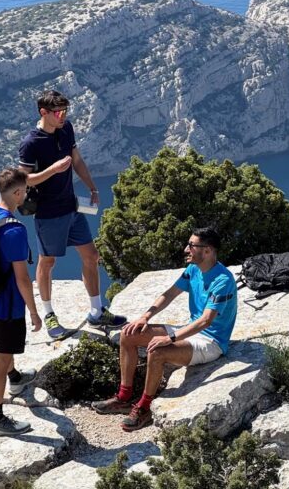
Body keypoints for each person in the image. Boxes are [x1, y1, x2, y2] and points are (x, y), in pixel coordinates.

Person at [94, 227, 237, 431]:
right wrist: (145, 316)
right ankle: (124, 398)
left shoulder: (222, 280)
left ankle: (144, 407)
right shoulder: (193, 269)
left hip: (211, 342)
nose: (186, 249)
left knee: (158, 351)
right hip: (189, 329)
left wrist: (170, 338)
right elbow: (169, 294)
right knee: (129, 334)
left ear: (207, 250)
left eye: (191, 245)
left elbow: (206, 321)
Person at [18, 90, 125, 338]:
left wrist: (92, 186)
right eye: (58, 112)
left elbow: (77, 160)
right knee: (48, 262)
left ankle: (97, 312)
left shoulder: (67, 129)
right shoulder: (31, 142)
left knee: (91, 255)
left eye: (65, 110)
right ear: (43, 112)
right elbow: (24, 180)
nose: (63, 115)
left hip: (72, 206)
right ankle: (49, 315)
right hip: (48, 212)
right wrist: (53, 170)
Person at [0, 167, 43, 436]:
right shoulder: (14, 231)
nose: (27, 195)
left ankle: (15, 379)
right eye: (26, 190)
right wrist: (34, 311)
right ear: (17, 193)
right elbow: (22, 279)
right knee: (1, 354)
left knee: (4, 344)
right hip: (7, 303)